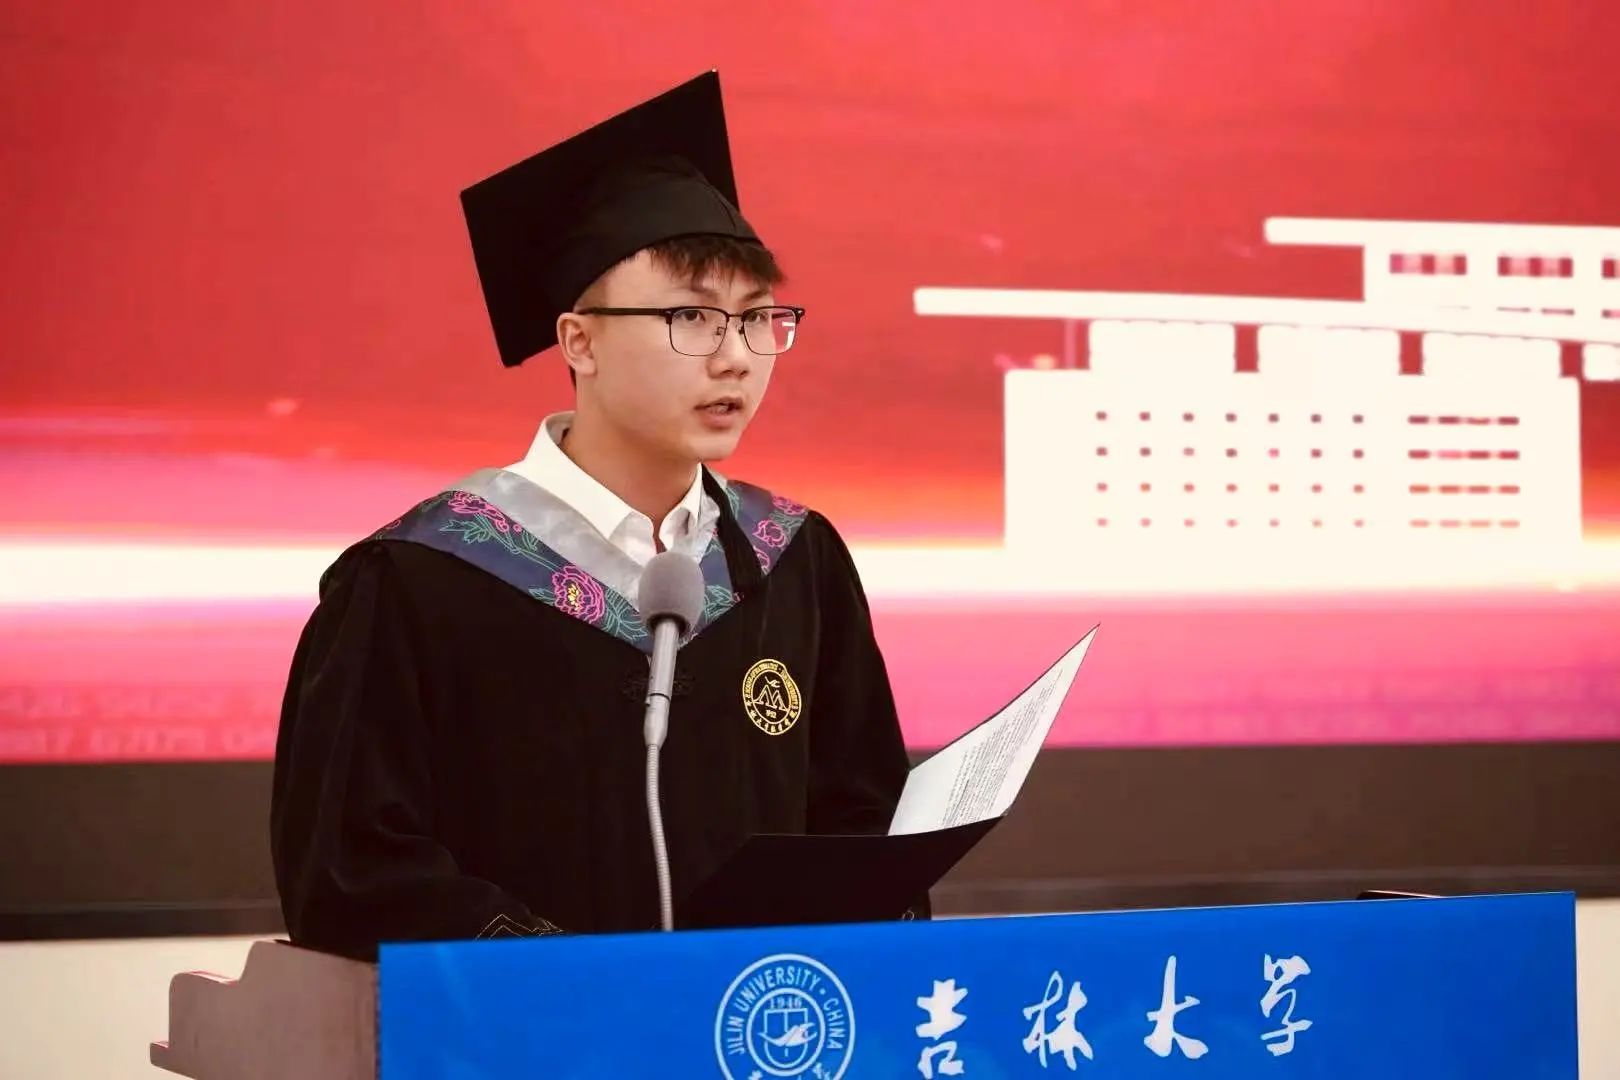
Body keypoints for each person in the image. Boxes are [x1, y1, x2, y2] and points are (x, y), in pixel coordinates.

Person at [269, 73, 919, 960]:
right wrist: (578, 984)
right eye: (692, 316)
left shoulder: (793, 561)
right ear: (579, 342)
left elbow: (863, 823)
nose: (736, 357)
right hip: (525, 1030)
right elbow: (351, 871)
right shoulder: (421, 578)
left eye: (758, 320)